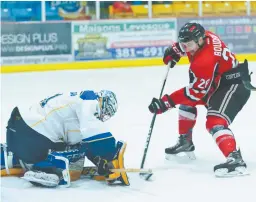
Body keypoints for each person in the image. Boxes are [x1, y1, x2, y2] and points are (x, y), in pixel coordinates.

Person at [148, 22, 255, 177]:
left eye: (188, 45)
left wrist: (166, 102)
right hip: (218, 82)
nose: (186, 48)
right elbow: (186, 46)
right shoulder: (206, 36)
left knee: (214, 121)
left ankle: (235, 158)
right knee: (186, 102)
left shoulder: (204, 61)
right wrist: (176, 50)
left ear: (199, 40)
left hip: (234, 86)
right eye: (184, 44)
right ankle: (185, 142)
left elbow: (195, 93)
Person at [1, 90, 130, 187]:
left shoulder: (76, 102)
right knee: (71, 161)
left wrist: (99, 161)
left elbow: (83, 140)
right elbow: (90, 130)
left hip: (20, 131)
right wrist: (109, 154)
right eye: (106, 111)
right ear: (102, 101)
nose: (104, 116)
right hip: (30, 133)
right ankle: (43, 166)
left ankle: (11, 156)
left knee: (73, 151)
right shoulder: (89, 100)